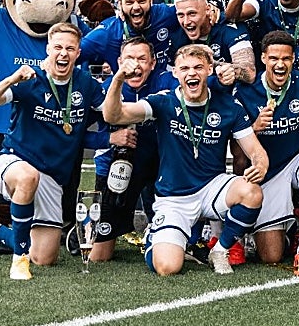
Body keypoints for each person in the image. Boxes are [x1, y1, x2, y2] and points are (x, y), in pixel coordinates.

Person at [103, 43, 270, 276]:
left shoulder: (229, 106)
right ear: (176, 73)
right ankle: (157, 234)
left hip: (211, 187)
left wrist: (260, 165)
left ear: (209, 70)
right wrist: (119, 78)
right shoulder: (163, 102)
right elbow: (113, 114)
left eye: (198, 67)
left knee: (251, 192)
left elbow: (256, 150)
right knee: (168, 267)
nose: (191, 73)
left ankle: (220, 250)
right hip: (174, 197)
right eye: (185, 68)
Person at [0, 23, 104, 280]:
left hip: (52, 177)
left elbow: (100, 120)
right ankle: (18, 262)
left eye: (70, 48)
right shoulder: (30, 79)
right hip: (14, 161)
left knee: (44, 258)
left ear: (78, 53)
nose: (63, 53)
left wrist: (112, 137)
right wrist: (12, 78)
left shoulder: (86, 84)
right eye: (57, 47)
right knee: (27, 177)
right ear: (48, 50)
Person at [233, 31, 299, 273]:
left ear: (293, 60)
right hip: (265, 173)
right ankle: (290, 226)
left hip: (297, 159)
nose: (280, 64)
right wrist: (255, 128)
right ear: (263, 59)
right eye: (274, 59)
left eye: (286, 59)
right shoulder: (245, 91)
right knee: (271, 256)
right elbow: (236, 152)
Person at [89, 37, 171, 264]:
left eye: (142, 59)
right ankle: (84, 233)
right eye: (129, 59)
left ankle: (161, 232)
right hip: (115, 169)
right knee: (99, 257)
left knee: (170, 246)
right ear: (118, 61)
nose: (135, 65)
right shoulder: (104, 89)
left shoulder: (167, 81)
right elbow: (72, 133)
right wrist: (108, 138)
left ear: (153, 63)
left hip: (160, 166)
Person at [80, 0, 185, 75]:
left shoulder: (165, 14)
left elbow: (196, 7)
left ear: (151, 0)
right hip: (125, 91)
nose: (136, 7)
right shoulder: (108, 31)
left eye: (142, 1)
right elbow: (73, 54)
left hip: (162, 87)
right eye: (129, 2)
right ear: (120, 4)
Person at [174, 0, 255, 82]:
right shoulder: (174, 29)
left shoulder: (230, 28)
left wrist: (212, 63)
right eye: (181, 15)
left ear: (208, 9)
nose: (186, 22)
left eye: (192, 14)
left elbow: (250, 73)